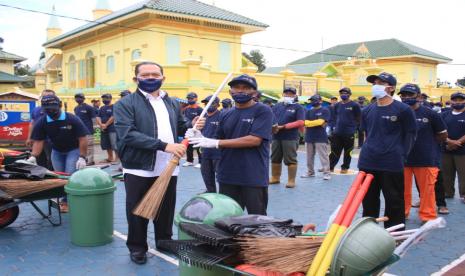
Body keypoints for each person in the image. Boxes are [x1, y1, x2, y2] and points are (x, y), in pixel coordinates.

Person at [114, 61, 202, 265]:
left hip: (168, 166)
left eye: (155, 74)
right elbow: (128, 135)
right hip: (139, 167)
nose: (151, 78)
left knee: (165, 207)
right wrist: (165, 146)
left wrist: (193, 125)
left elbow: (180, 126)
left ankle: (164, 241)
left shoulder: (171, 102)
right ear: (136, 79)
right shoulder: (125, 104)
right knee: (138, 209)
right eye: (145, 75)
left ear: (163, 77)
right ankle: (137, 247)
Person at [188, 74, 273, 215]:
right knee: (228, 218)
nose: (240, 91)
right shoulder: (225, 114)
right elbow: (216, 139)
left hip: (253, 175)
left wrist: (216, 142)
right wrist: (200, 135)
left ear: (255, 93)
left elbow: (254, 140)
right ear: (230, 92)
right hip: (227, 175)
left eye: (246, 88)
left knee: (257, 220)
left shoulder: (263, 110)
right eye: (236, 87)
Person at [358, 72, 417, 228]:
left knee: (394, 201)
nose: (376, 86)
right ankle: (367, 230)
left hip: (391, 163)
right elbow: (366, 134)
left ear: (390, 88)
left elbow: (411, 135)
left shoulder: (403, 110)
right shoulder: (367, 110)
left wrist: (402, 155)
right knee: (368, 201)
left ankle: (395, 233)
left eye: (380, 83)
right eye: (374, 83)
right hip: (368, 162)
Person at [28, 95, 89, 212]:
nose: (51, 111)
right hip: (56, 151)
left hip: (73, 150)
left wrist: (82, 157)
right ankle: (66, 197)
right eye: (47, 109)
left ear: (59, 105)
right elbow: (39, 141)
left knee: (68, 175)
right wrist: (33, 156)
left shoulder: (72, 119)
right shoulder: (43, 122)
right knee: (60, 177)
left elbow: (83, 138)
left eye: (53, 108)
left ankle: (66, 201)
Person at [399, 84, 447, 223]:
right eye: (404, 95)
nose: (406, 98)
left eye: (410, 95)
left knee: (427, 191)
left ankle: (427, 216)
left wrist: (428, 145)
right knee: (402, 190)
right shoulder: (399, 113)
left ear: (419, 97)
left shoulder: (430, 113)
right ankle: (402, 213)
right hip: (403, 159)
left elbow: (443, 135)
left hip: (426, 158)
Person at [269, 87, 305, 188]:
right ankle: (275, 177)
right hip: (276, 136)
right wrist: (272, 126)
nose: (288, 96)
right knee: (275, 158)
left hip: (290, 137)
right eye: (286, 94)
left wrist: (284, 126)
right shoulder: (277, 106)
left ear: (295, 95)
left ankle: (291, 180)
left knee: (290, 159)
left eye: (291, 94)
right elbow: (271, 117)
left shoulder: (298, 107)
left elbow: (301, 122)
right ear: (283, 94)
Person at [329, 87, 361, 174]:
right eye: (342, 93)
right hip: (337, 132)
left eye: (346, 93)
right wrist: (333, 128)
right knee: (334, 151)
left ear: (349, 94)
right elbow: (334, 117)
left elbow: (359, 118)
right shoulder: (337, 105)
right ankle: (330, 166)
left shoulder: (355, 105)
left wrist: (354, 128)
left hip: (349, 133)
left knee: (348, 151)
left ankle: (345, 167)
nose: (343, 94)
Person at [441, 92, 465, 202]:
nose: (458, 102)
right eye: (455, 100)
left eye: (460, 100)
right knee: (446, 173)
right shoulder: (444, 114)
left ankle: (463, 195)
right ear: (451, 101)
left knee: (463, 174)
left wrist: (457, 142)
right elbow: (439, 130)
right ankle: (448, 192)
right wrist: (449, 141)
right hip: (446, 149)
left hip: (462, 151)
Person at [302, 94, 331, 180]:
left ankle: (327, 173)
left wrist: (309, 123)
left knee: (323, 156)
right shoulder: (308, 111)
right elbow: (305, 122)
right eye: (312, 100)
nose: (313, 102)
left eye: (315, 100)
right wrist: (316, 122)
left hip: (320, 137)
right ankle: (310, 172)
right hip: (309, 136)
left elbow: (321, 122)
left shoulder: (325, 110)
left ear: (320, 101)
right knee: (309, 156)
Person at [26, 89, 55, 170]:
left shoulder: (56, 111)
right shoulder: (36, 110)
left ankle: (52, 177)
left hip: (51, 140)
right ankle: (42, 176)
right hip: (37, 140)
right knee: (38, 159)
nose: (46, 99)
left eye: (49, 97)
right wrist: (29, 137)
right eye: (44, 96)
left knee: (51, 160)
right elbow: (32, 124)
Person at [199, 95, 221, 193]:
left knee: (220, 175)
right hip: (205, 151)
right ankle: (210, 191)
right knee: (206, 173)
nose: (208, 105)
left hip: (218, 152)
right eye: (206, 103)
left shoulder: (222, 116)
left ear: (218, 105)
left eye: (211, 103)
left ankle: (224, 194)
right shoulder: (202, 117)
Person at [74, 93, 96, 165]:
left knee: (89, 146)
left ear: (83, 99)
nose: (78, 99)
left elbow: (93, 119)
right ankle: (84, 159)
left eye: (79, 97)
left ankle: (90, 160)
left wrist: (95, 128)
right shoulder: (76, 108)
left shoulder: (89, 108)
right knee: (81, 146)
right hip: (79, 131)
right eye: (76, 98)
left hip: (88, 130)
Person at [182, 92, 203, 168]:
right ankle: (189, 161)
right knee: (188, 147)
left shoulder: (200, 109)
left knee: (198, 147)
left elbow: (202, 120)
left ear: (196, 99)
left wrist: (198, 128)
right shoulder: (186, 109)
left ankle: (201, 162)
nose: (189, 100)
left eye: (191, 98)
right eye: (188, 98)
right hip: (188, 130)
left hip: (197, 131)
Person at [97, 94, 117, 163]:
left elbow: (113, 116)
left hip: (112, 128)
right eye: (103, 98)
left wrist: (106, 124)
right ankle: (110, 158)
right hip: (103, 128)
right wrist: (101, 124)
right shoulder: (101, 108)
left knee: (114, 144)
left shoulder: (114, 106)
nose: (104, 100)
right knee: (106, 144)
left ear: (110, 99)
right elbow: (98, 117)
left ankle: (117, 158)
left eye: (106, 98)